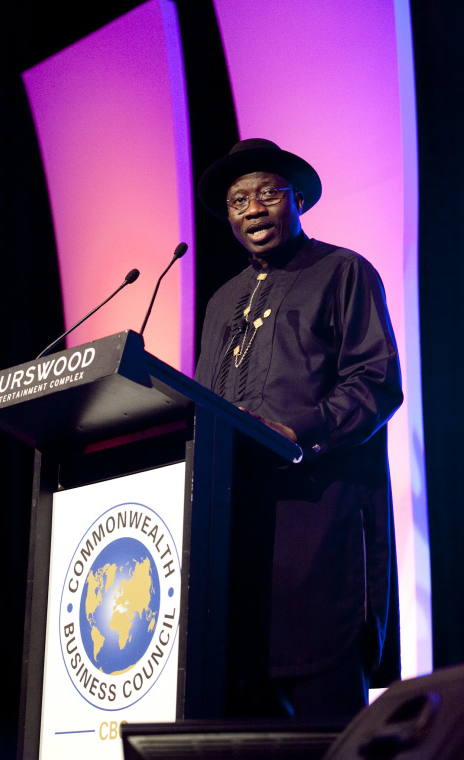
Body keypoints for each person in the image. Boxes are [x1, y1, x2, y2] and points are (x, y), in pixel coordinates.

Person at [194, 138, 403, 727]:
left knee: (324, 720)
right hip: (236, 537)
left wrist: (296, 431)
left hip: (318, 525)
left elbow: (376, 381)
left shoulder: (342, 271)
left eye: (267, 193)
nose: (253, 209)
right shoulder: (221, 302)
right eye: (238, 201)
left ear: (299, 200)